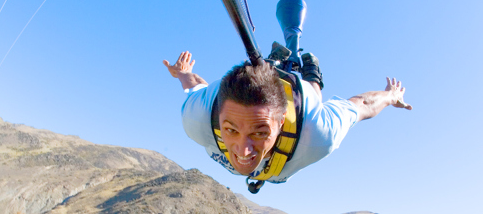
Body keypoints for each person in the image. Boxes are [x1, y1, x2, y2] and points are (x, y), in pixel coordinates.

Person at [163, 48, 412, 192]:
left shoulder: (317, 135)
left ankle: (312, 70)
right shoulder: (197, 119)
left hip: (300, 100)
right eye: (231, 129)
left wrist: (391, 96)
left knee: (313, 92)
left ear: (281, 121)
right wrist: (182, 73)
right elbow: (194, 84)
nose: (243, 149)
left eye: (260, 132)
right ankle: (274, 62)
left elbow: (361, 105)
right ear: (218, 116)